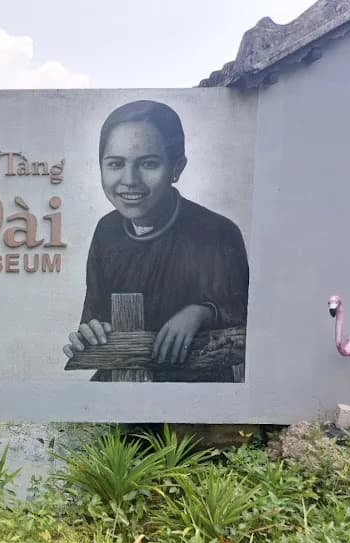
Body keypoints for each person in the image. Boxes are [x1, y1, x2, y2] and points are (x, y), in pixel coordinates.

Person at [63, 100, 249, 382]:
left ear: (177, 168)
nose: (129, 180)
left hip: (197, 394)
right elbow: (96, 316)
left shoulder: (217, 233)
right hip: (122, 383)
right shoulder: (107, 231)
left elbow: (246, 319)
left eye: (148, 164)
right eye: (115, 164)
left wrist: (201, 313)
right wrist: (92, 332)